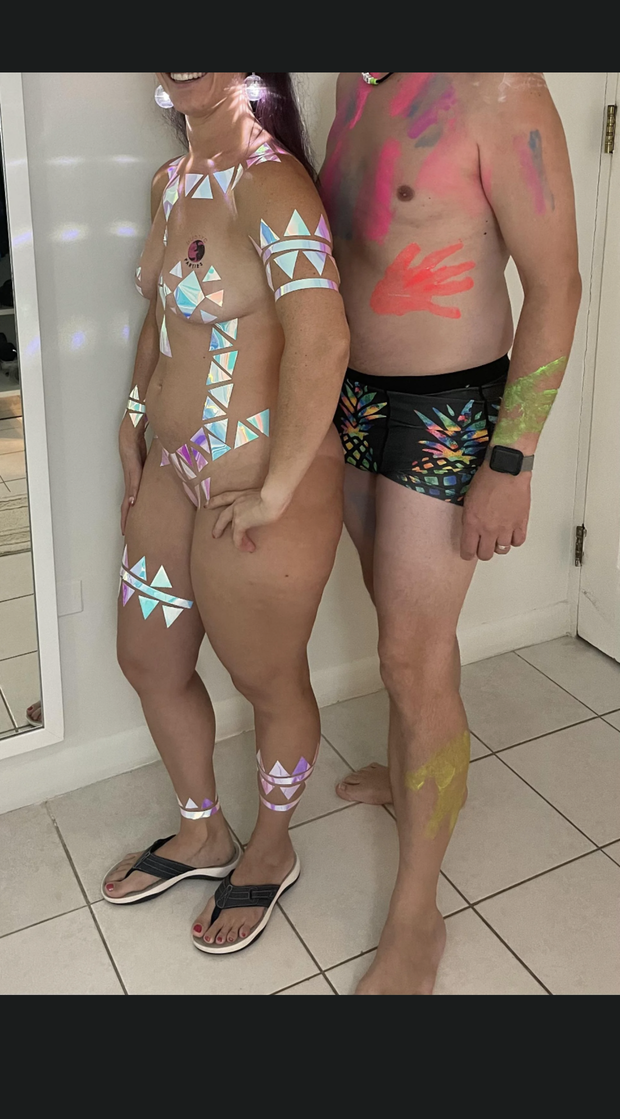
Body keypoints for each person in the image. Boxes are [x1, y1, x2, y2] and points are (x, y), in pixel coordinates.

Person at [320, 72, 581, 994]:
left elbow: (557, 284)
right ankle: (410, 773)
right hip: (355, 401)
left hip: (450, 412)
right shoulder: (352, 80)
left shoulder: (500, 86)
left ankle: (417, 916)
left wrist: (513, 460)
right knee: (405, 641)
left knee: (410, 653)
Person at [102, 72, 349, 954]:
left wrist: (277, 489)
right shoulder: (169, 184)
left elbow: (324, 337)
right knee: (148, 659)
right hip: (172, 470)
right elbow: (159, 319)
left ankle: (272, 847)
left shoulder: (272, 184)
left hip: (259, 480)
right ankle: (203, 831)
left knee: (267, 681)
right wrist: (133, 418)